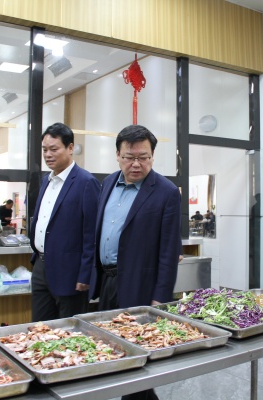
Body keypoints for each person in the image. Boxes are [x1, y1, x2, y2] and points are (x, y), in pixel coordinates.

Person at [90, 124, 181, 400]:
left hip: (140, 286)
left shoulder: (165, 192)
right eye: (130, 157)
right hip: (107, 282)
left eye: (144, 157)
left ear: (153, 156)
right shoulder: (107, 183)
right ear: (118, 155)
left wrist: (160, 298)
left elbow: (169, 250)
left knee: (136, 359)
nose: (137, 164)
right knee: (110, 349)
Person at [30, 123, 100, 321]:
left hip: (70, 272)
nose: (48, 155)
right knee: (40, 327)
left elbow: (92, 234)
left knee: (69, 329)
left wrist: (85, 274)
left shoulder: (86, 183)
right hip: (41, 266)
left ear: (70, 148)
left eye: (54, 149)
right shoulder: (46, 181)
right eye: (44, 150)